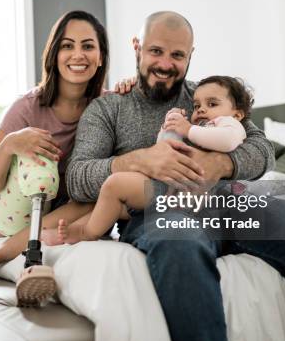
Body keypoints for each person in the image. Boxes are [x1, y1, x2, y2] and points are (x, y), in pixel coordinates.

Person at [65, 11, 285, 341]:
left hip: (232, 202)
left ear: (190, 56)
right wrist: (140, 161)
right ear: (137, 47)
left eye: (177, 55)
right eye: (156, 51)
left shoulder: (207, 95)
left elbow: (262, 150)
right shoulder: (108, 109)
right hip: (162, 210)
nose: (166, 63)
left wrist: (221, 164)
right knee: (180, 254)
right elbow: (78, 176)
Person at [0, 10, 111, 305]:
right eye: (67, 45)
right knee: (39, 151)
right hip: (13, 212)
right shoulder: (27, 106)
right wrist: (10, 144)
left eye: (88, 46)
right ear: (54, 53)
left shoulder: (107, 106)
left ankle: (1, 259)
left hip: (65, 209)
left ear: (100, 56)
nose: (78, 55)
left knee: (101, 189)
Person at [43, 75, 251, 245]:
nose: (202, 110)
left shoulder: (229, 126)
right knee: (113, 196)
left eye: (212, 104)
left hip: (205, 199)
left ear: (238, 113)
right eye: (197, 106)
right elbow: (163, 147)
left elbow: (227, 142)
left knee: (116, 186)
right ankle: (78, 231)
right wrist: (168, 128)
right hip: (171, 192)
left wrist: (188, 129)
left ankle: (85, 231)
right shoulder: (198, 128)